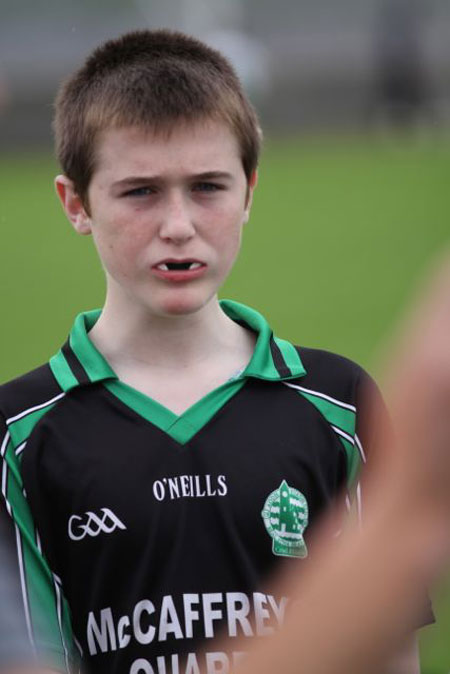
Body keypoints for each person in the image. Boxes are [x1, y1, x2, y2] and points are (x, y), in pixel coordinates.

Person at [0, 30, 425, 674]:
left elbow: (387, 650)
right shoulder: (20, 435)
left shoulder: (340, 405)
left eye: (208, 187)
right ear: (76, 203)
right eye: (140, 191)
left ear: (249, 191)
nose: (178, 224)